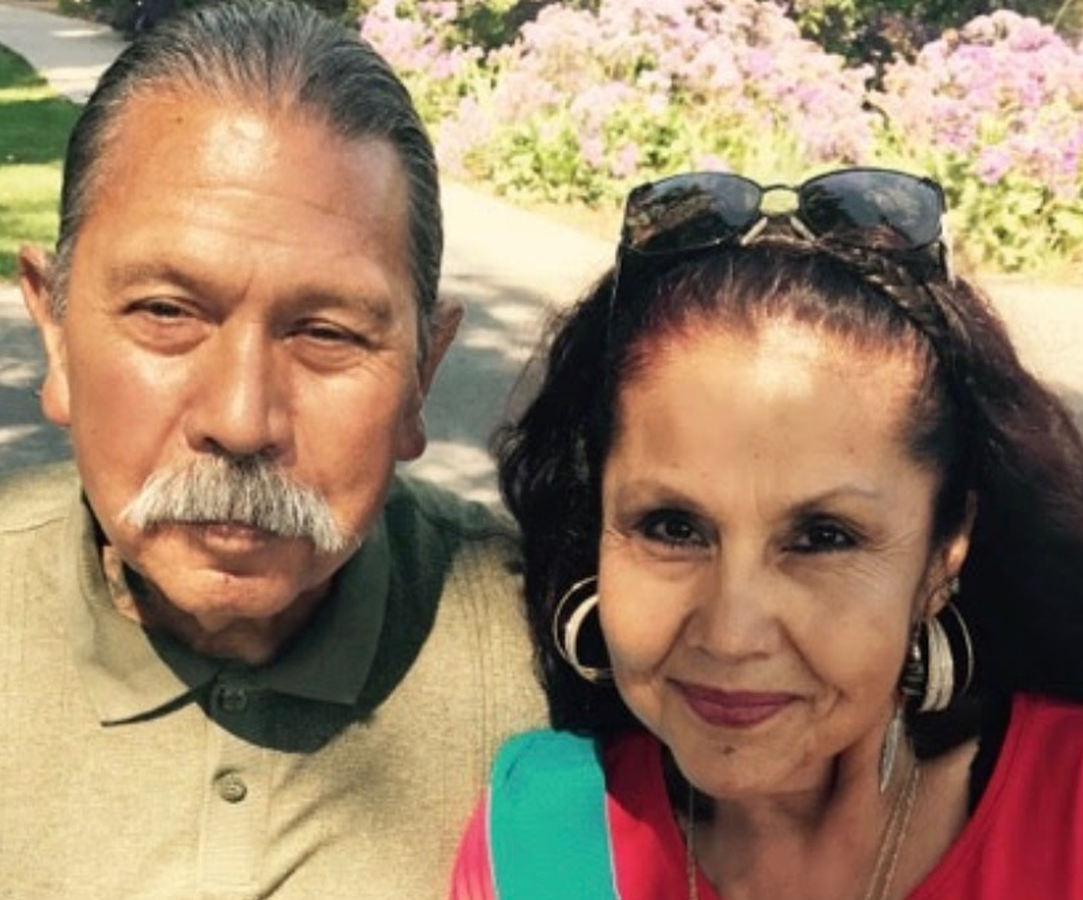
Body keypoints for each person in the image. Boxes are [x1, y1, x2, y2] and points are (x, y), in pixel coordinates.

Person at [0, 2, 545, 897]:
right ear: (55, 329)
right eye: (167, 313)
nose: (240, 420)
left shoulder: (564, 671)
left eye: (327, 333)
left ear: (421, 375)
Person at [451, 168, 1083, 899]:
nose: (731, 634)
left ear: (945, 551)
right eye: (672, 528)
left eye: (823, 537)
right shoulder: (537, 842)